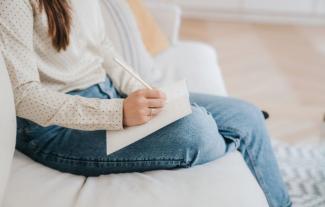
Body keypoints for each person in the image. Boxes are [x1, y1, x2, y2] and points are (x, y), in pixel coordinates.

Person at [0, 0, 291, 206]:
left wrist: (146, 95)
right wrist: (118, 113)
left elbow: (103, 49)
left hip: (109, 93)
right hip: (54, 130)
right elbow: (24, 97)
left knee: (247, 116)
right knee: (196, 130)